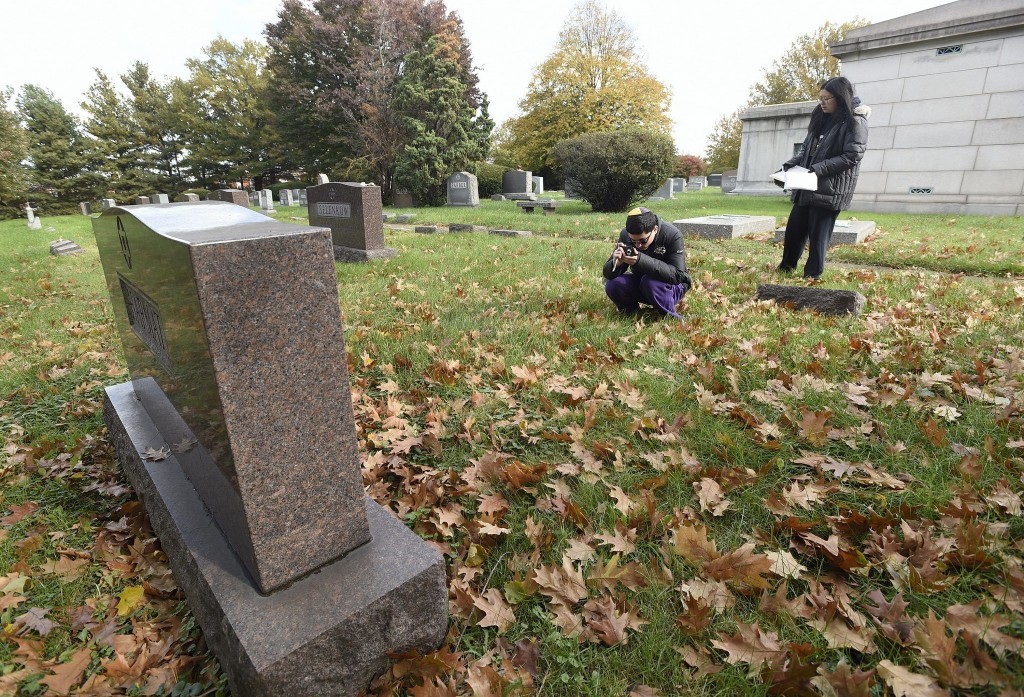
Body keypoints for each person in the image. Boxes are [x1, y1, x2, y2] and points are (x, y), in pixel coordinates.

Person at [778, 76, 870, 280]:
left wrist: (817, 169)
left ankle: (812, 275)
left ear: (840, 98)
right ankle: (786, 268)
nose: (822, 102)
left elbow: (852, 155)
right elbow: (805, 150)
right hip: (806, 185)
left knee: (818, 236)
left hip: (830, 188)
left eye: (827, 98)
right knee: (794, 229)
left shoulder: (855, 121)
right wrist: (789, 166)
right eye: (820, 98)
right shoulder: (821, 118)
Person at [603, 207, 691, 318]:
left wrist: (640, 260)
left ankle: (669, 315)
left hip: (672, 286)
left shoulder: (672, 234)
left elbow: (678, 275)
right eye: (633, 241)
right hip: (642, 282)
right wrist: (616, 263)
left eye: (643, 240)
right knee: (613, 284)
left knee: (649, 282)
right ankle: (632, 313)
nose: (638, 245)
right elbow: (607, 274)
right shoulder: (625, 235)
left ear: (655, 229)